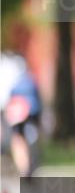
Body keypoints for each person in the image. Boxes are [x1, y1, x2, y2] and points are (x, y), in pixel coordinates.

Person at [0, 51, 43, 179]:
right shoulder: (29, 80)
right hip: (30, 111)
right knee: (27, 140)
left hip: (15, 112)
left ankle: (23, 168)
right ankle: (28, 167)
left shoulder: (12, 82)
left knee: (18, 140)